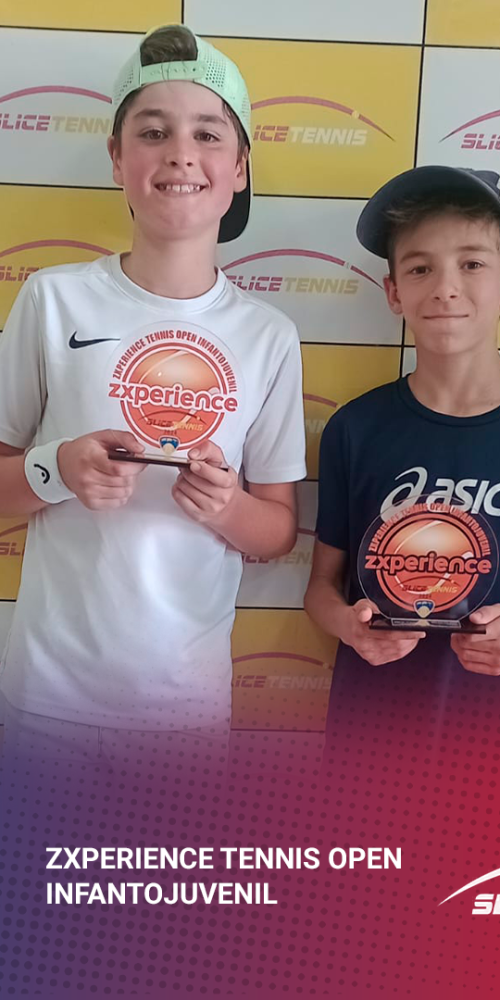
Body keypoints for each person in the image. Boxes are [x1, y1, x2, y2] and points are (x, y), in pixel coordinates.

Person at [0, 24, 306, 750]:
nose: (180, 154)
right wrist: (56, 468)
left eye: (207, 134)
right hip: (46, 702)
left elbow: (277, 530)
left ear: (239, 168)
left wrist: (227, 505)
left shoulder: (269, 335)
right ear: (117, 157)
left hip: (185, 716)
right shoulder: (51, 299)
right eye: (153, 131)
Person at [303, 166, 500, 988]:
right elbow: (320, 590)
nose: (445, 286)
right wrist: (348, 628)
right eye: (420, 267)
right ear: (392, 292)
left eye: (473, 262)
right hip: (375, 751)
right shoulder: (357, 428)